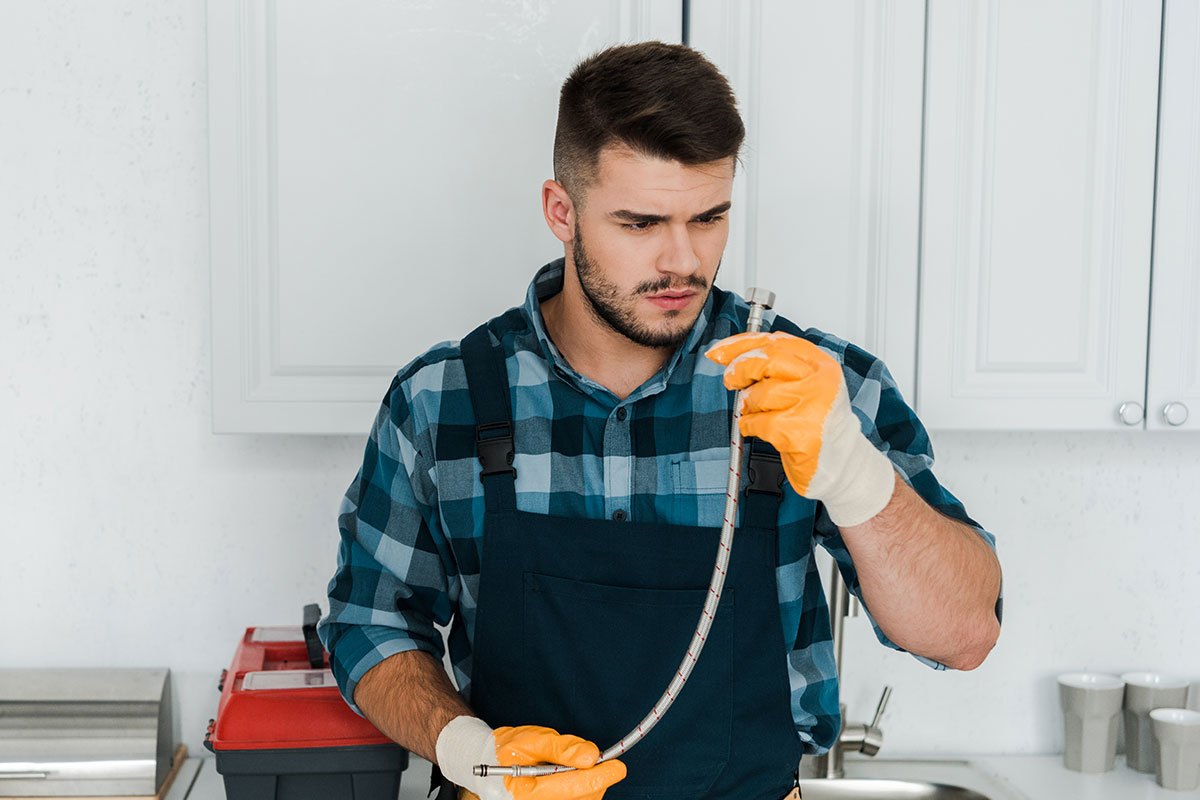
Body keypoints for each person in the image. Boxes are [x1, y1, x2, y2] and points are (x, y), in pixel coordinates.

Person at [318, 41, 1003, 800]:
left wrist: (852, 471)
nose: (683, 261)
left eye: (708, 217)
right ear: (562, 213)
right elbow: (368, 622)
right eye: (641, 223)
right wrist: (465, 747)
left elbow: (965, 633)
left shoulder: (809, 390)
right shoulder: (441, 399)